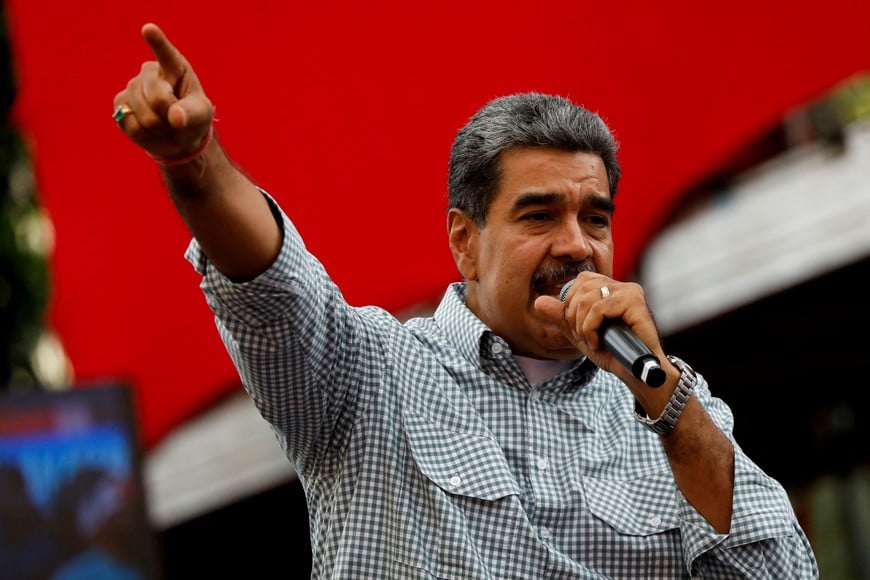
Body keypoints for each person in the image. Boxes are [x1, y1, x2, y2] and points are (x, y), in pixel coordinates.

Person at [113, 22, 819, 578]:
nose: (577, 245)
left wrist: (668, 406)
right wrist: (194, 161)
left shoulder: (671, 413)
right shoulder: (366, 375)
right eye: (539, 216)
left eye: (595, 218)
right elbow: (271, 284)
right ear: (465, 241)